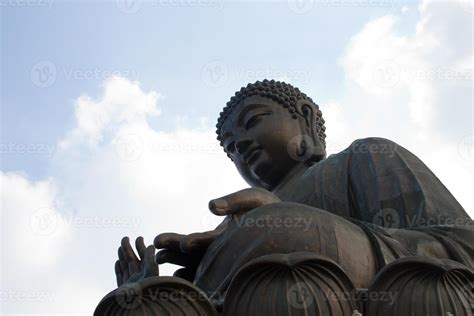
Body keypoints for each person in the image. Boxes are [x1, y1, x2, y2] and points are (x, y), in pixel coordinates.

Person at [114, 80, 473, 313]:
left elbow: (461, 251)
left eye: (252, 121)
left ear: (303, 116)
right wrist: (158, 290)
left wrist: (282, 223)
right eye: (229, 148)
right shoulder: (239, 221)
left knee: (272, 227)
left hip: (399, 298)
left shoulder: (367, 157)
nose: (239, 145)